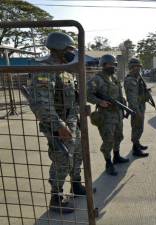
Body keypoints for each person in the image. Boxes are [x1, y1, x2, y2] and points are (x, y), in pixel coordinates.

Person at [28, 32, 86, 214]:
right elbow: (42, 104)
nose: (71, 52)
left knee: (77, 155)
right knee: (62, 159)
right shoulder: (45, 69)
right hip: (57, 126)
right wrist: (59, 126)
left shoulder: (65, 71)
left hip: (71, 121)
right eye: (69, 49)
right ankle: (56, 197)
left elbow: (71, 99)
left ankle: (76, 185)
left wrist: (80, 114)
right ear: (59, 48)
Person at [87, 54, 129, 176]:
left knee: (119, 136)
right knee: (108, 140)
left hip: (117, 114)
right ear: (103, 65)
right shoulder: (97, 79)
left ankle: (116, 156)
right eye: (110, 65)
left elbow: (120, 95)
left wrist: (124, 105)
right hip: (105, 116)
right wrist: (100, 102)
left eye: (114, 65)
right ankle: (108, 162)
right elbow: (87, 94)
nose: (113, 67)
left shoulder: (115, 78)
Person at [124, 58, 149, 157]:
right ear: (131, 68)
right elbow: (131, 98)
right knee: (136, 128)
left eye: (139, 67)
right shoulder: (130, 80)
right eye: (136, 67)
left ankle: (137, 143)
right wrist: (137, 111)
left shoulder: (138, 78)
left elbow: (140, 91)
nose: (138, 69)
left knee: (140, 128)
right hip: (136, 108)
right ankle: (135, 149)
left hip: (141, 106)